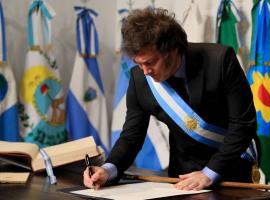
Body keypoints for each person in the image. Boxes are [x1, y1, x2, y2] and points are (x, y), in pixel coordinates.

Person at [83, 7, 260, 191]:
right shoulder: (139, 79)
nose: (145, 72)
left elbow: (243, 124)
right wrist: (107, 170)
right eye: (139, 64)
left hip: (231, 171)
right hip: (182, 177)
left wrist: (210, 173)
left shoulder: (220, 60)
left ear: (172, 49)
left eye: (150, 62)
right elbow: (131, 137)